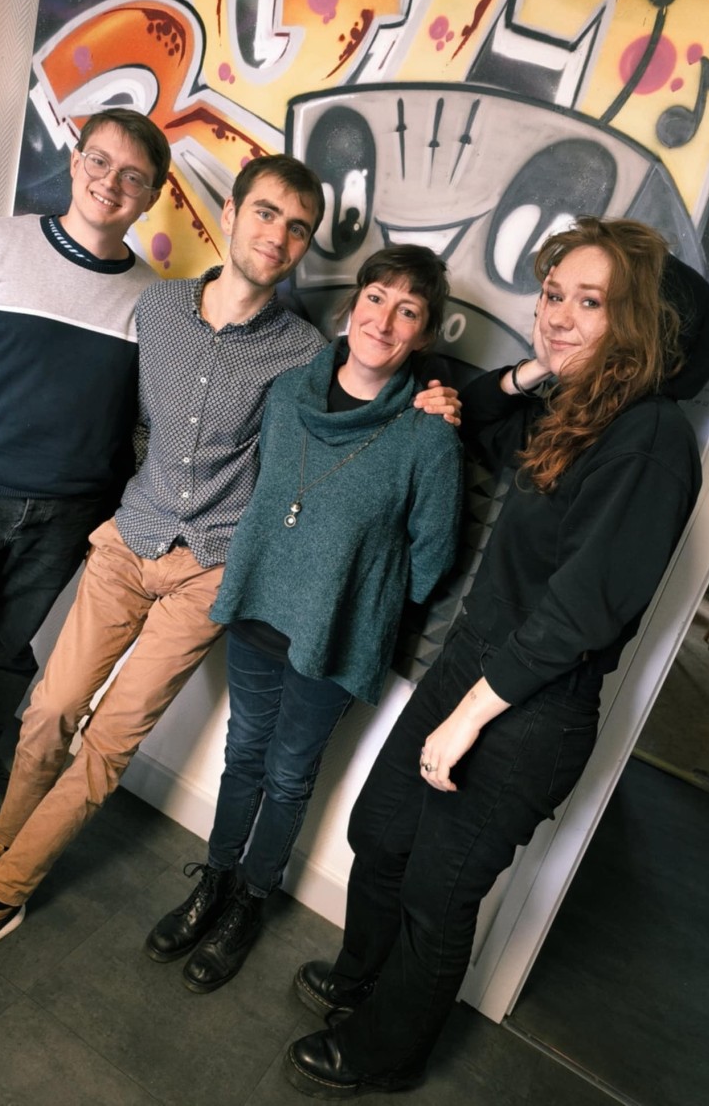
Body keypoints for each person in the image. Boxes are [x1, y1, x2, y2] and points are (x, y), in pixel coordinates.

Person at [0, 157, 458, 998]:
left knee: (109, 741)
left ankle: (1, 895)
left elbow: (371, 386)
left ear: (304, 245)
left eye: (296, 228)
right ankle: (1, 846)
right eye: (264, 213)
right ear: (230, 213)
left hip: (210, 569)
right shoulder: (152, 307)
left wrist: (437, 401)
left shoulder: (305, 351)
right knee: (47, 708)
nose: (276, 235)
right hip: (129, 538)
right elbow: (108, 407)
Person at [285, 217, 709, 1098]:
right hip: (473, 665)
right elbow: (477, 414)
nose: (556, 315)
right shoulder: (577, 409)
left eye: (589, 302)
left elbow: (582, 610)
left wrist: (466, 717)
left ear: (636, 323)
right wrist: (537, 368)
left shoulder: (650, 439)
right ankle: (359, 979)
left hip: (530, 705)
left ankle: (386, 1051)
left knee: (437, 894)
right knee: (380, 830)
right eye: (552, 294)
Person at [144, 245, 463, 993]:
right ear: (352, 306)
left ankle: (250, 901)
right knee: (243, 756)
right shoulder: (289, 391)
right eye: (375, 298)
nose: (384, 320)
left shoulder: (428, 433)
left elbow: (433, 555)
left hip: (337, 633)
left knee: (288, 775)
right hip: (259, 610)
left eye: (408, 311)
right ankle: (214, 881)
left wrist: (364, 591)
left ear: (422, 334)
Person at [0, 108, 170, 845]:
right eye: (99, 161)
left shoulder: (153, 304)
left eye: (133, 176)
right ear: (75, 162)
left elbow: (139, 424)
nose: (110, 182)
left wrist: (110, 520)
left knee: (9, 649)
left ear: (150, 197)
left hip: (65, 516)